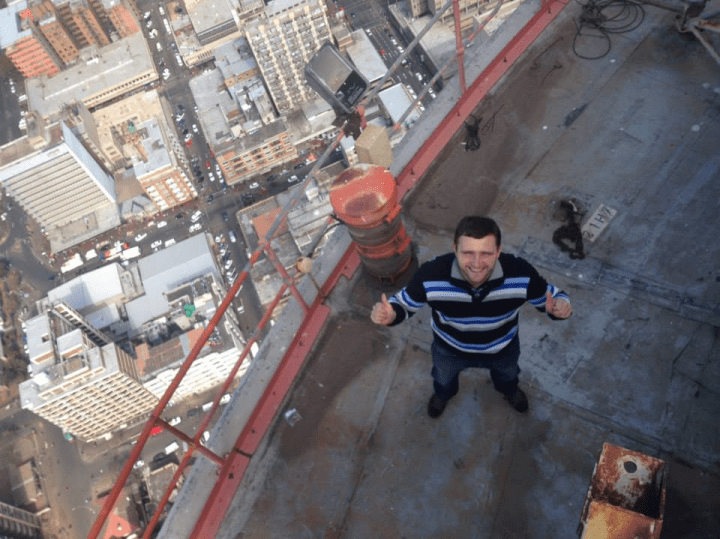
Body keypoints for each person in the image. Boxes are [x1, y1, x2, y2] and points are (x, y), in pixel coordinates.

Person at [371, 216, 572, 418]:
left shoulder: (521, 274)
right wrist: (390, 314)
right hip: (449, 350)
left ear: (498, 252)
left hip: (502, 348)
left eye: (486, 253)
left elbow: (552, 297)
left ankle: (509, 390)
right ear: (455, 249)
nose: (476, 264)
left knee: (508, 376)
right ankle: (443, 395)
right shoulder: (430, 275)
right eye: (468, 253)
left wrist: (560, 308)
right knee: (443, 379)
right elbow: (404, 304)